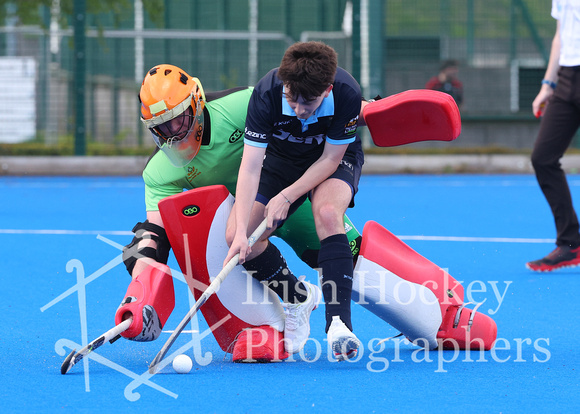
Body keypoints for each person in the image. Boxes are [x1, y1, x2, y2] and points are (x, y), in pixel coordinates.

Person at [117, 63, 363, 362]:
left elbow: (307, 106)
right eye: (161, 126)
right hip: (244, 216)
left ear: (196, 103)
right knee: (219, 240)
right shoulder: (158, 173)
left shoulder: (239, 104)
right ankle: (285, 307)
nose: (172, 133)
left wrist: (360, 110)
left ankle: (432, 305)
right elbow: (152, 237)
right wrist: (139, 294)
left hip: (286, 188)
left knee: (352, 264)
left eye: (177, 120)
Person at [224, 41, 363, 361]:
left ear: (327, 90)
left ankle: (339, 323)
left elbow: (330, 159)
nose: (300, 108)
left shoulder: (346, 92)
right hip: (282, 161)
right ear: (284, 84)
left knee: (328, 212)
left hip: (332, 160)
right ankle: (298, 298)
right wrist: (244, 234)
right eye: (293, 97)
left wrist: (288, 195)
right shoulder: (267, 93)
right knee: (236, 236)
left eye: (309, 102)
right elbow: (250, 166)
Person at [526, 0, 580, 272]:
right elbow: (561, 34)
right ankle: (571, 244)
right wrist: (548, 84)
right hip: (568, 78)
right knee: (543, 158)